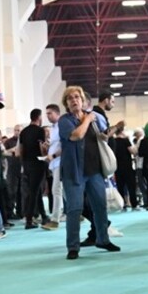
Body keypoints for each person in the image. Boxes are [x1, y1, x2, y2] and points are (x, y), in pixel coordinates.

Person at [57, 86, 119, 260]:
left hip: (95, 170)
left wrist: (105, 135)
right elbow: (76, 136)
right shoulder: (65, 121)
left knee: (100, 206)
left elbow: (103, 136)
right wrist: (88, 118)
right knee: (74, 209)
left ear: (83, 100)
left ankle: (103, 239)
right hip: (74, 172)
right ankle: (73, 247)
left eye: (77, 97)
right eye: (70, 98)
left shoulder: (94, 119)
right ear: (66, 103)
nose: (74, 100)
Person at [19, 109, 49, 228]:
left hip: (27, 163)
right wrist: (46, 154)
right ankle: (29, 220)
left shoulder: (23, 132)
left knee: (34, 190)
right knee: (34, 191)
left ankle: (43, 216)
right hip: (37, 163)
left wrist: (23, 163)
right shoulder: (40, 131)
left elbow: (21, 149)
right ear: (39, 117)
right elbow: (41, 148)